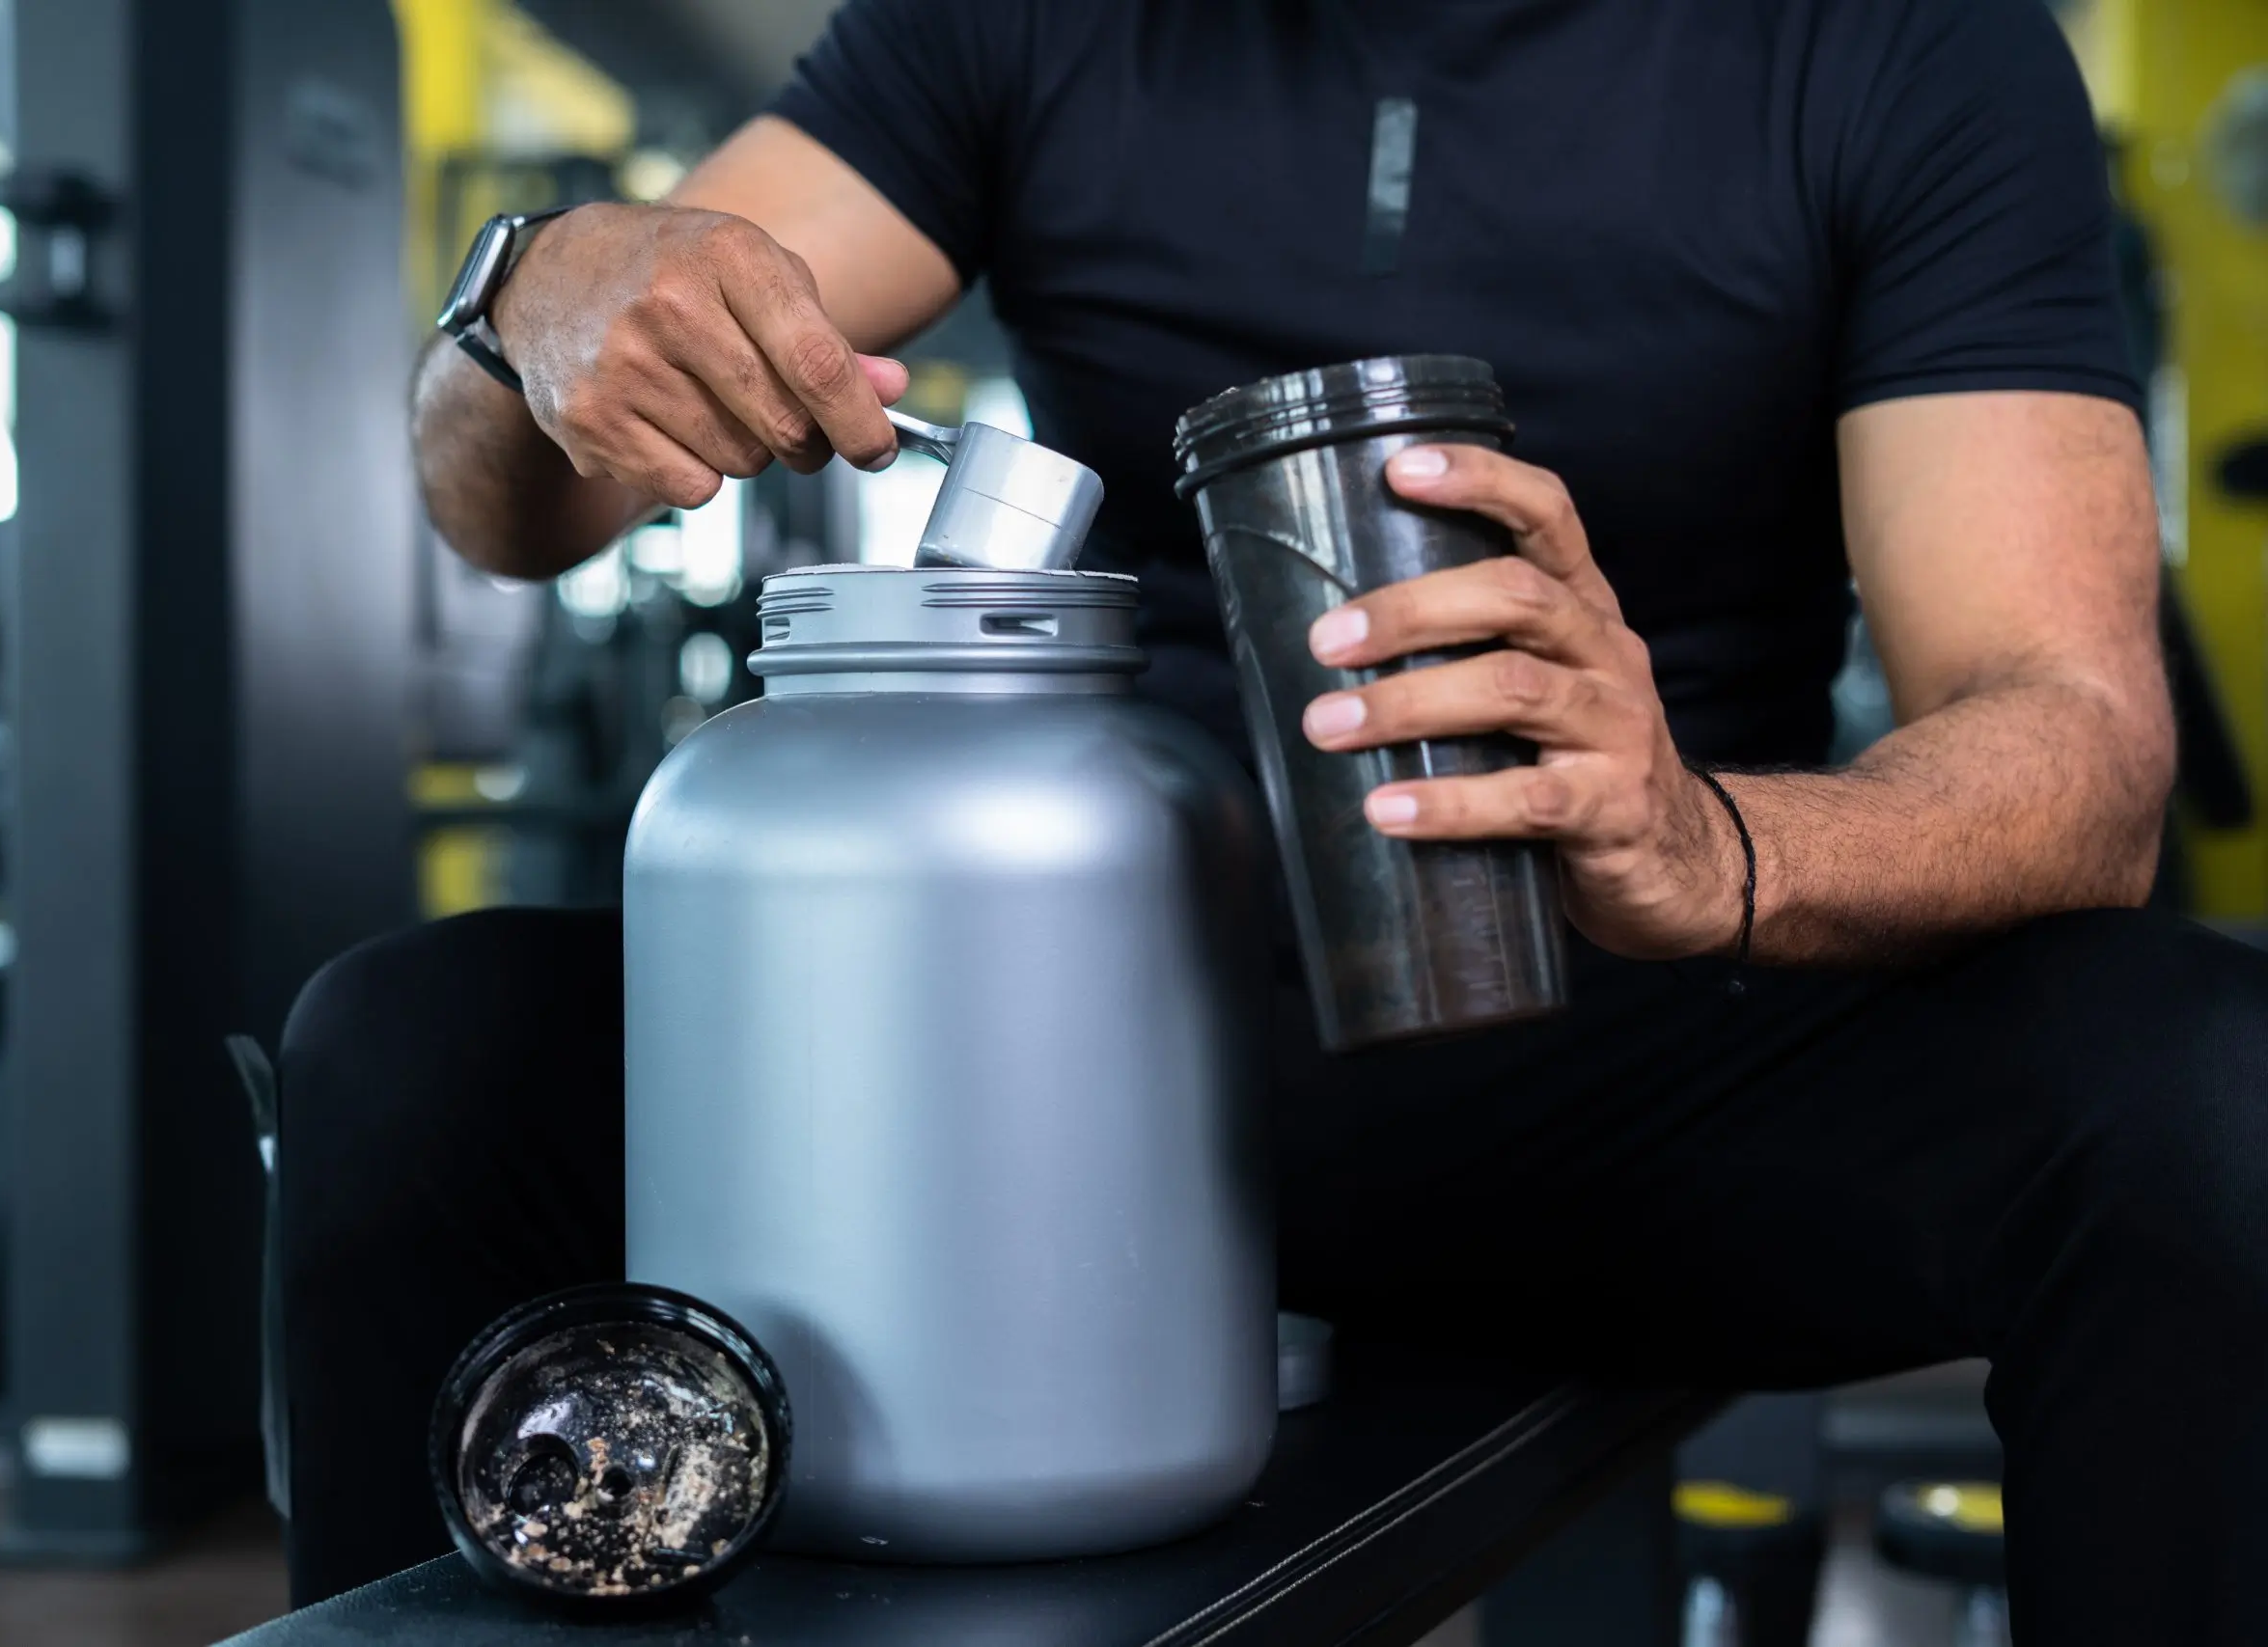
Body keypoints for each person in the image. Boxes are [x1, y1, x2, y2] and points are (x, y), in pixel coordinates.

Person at [280, 0, 2268, 1634]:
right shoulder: (1015, 25)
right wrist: (527, 300)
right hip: (1099, 1047)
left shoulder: (1896, 47)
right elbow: (509, 506)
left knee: (2198, 1087)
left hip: (1649, 1044)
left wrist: (1703, 844)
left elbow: (2071, 739)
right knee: (419, 1048)